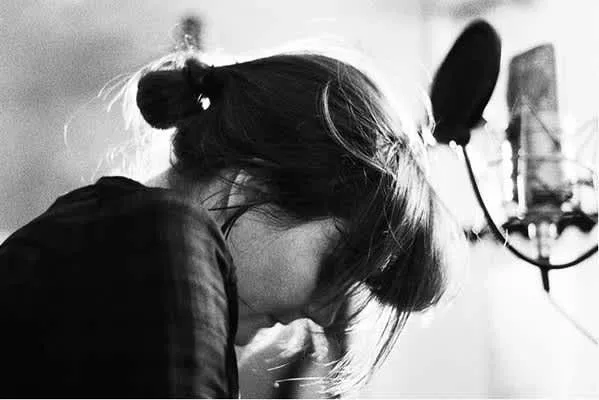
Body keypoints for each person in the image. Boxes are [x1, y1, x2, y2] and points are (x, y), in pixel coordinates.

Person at [0, 45, 460, 397]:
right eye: (333, 266)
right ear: (249, 188)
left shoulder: (104, 237)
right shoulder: (167, 233)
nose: (324, 315)